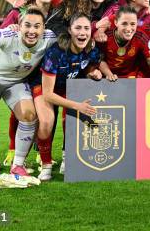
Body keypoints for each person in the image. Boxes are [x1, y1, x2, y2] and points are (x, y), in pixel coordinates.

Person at [0, 7, 57, 185]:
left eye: (37, 26)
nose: (32, 30)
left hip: (16, 82)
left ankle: (18, 165)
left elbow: (71, 41)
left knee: (29, 115)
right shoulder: (7, 34)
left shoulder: (49, 37)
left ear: (43, 28)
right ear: (19, 26)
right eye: (27, 25)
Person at [0, 0, 57, 167]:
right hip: (20, 71)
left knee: (46, 112)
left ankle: (41, 151)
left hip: (43, 73)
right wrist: (13, 30)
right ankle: (13, 149)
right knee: (20, 111)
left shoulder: (58, 13)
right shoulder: (19, 11)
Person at [32, 13, 102, 181]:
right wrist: (76, 105)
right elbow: (48, 95)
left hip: (67, 87)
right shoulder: (56, 51)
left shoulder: (91, 49)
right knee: (47, 121)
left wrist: (93, 72)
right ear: (70, 30)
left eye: (86, 28)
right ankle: (46, 164)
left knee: (69, 119)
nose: (82, 32)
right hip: (44, 88)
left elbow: (87, 66)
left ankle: (67, 159)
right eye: (77, 28)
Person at [97, 6, 150, 80]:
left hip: (130, 77)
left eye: (133, 24)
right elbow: (99, 60)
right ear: (116, 22)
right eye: (124, 23)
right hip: (107, 76)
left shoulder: (141, 37)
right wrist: (109, 74)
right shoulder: (105, 37)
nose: (128, 29)